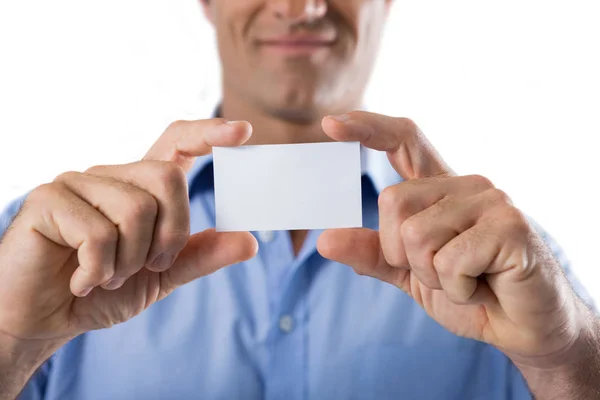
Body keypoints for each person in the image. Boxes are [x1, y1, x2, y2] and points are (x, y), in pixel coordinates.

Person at [0, 0, 599, 398]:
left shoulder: (510, 266)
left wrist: (566, 361)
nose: (301, 6)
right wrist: (9, 344)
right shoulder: (48, 251)